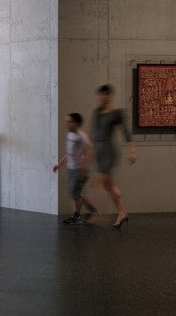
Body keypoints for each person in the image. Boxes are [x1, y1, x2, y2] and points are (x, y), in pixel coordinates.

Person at [91, 83, 135, 229]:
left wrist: (131, 150)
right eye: (100, 94)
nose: (102, 97)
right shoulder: (97, 112)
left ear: (109, 96)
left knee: (100, 181)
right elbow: (94, 134)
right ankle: (122, 212)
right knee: (109, 185)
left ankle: (99, 213)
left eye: (105, 94)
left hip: (109, 150)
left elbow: (126, 132)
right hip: (99, 149)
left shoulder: (117, 112)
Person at [53, 112, 96, 224]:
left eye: (70, 122)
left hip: (79, 169)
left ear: (76, 123)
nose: (68, 124)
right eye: (67, 122)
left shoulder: (82, 137)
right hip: (71, 168)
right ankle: (92, 211)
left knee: (74, 192)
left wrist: (84, 168)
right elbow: (69, 153)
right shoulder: (70, 135)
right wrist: (59, 164)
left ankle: (76, 216)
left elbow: (89, 151)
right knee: (77, 192)